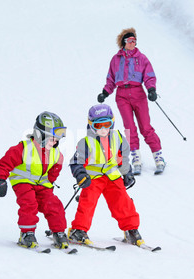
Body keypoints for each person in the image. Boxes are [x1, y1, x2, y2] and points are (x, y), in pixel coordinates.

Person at [68, 104, 146, 247]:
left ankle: (131, 229)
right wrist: (80, 175)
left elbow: (123, 158)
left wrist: (127, 173)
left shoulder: (118, 138)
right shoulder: (86, 142)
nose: (103, 129)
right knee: (88, 202)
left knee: (122, 201)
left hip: (112, 176)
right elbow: (76, 162)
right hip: (93, 177)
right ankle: (78, 230)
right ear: (91, 125)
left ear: (113, 122)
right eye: (98, 125)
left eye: (107, 124)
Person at [0, 111, 70, 249]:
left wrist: (50, 183)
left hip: (42, 185)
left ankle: (58, 232)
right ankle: (27, 233)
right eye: (52, 137)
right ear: (40, 134)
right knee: (29, 203)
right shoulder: (23, 148)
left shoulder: (56, 154)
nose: (56, 141)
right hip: (22, 182)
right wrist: (1, 180)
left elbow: (55, 170)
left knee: (54, 204)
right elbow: (4, 163)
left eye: (58, 138)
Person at [97, 27, 165, 175]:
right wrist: (105, 92)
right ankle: (136, 158)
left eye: (134, 40)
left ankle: (158, 157)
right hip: (122, 95)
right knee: (129, 127)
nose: (133, 43)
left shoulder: (142, 58)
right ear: (123, 42)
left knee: (145, 126)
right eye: (130, 40)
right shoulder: (116, 60)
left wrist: (151, 89)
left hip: (138, 93)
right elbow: (111, 78)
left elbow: (149, 75)